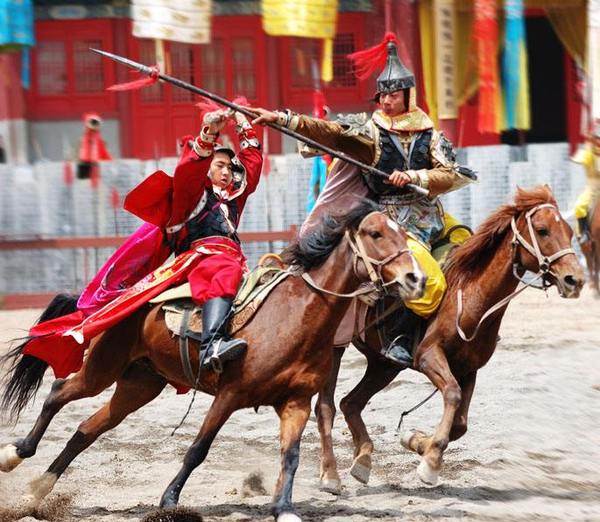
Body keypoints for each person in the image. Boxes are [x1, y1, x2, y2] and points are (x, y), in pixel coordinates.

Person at [250, 33, 476, 366]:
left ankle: (469, 324)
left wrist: (414, 177)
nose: (386, 101)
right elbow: (330, 132)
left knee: (470, 245)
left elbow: (448, 174)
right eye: (382, 96)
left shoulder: (430, 134)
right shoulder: (371, 134)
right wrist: (282, 119)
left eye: (393, 95)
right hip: (392, 224)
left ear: (408, 96)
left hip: (432, 215)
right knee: (425, 277)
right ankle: (400, 337)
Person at [24, 108, 263, 377]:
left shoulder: (233, 199)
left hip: (235, 258)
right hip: (203, 258)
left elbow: (252, 165)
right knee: (224, 269)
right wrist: (209, 133)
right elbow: (188, 171)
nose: (227, 171)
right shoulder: (190, 196)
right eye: (219, 165)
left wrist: (242, 121)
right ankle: (212, 345)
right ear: (206, 168)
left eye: (230, 167)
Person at [571, 120, 600, 244]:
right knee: (580, 206)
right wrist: (587, 144)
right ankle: (583, 233)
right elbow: (579, 159)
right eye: (597, 138)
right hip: (593, 188)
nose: (599, 141)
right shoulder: (589, 152)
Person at [77, 112, 112, 179]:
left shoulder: (98, 138)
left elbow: (103, 151)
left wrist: (110, 161)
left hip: (95, 163)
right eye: (93, 122)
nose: (95, 125)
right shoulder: (86, 135)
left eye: (96, 123)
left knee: (96, 181)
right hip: (84, 163)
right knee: (83, 181)